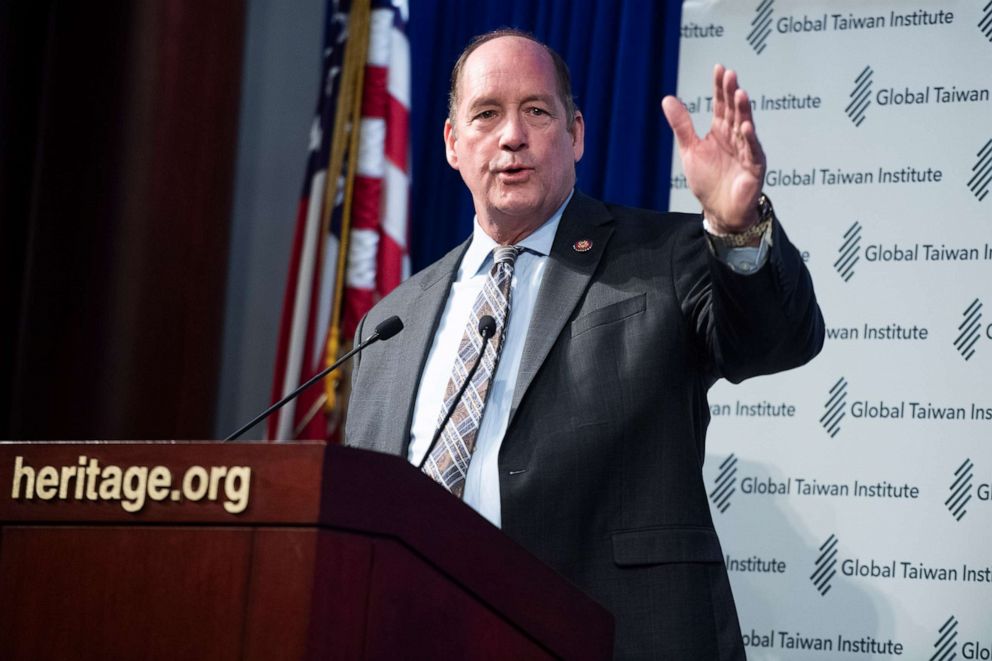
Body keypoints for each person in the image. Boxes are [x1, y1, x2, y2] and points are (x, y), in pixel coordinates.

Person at [346, 29, 824, 659]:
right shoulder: (391, 321)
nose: (511, 135)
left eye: (536, 112)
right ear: (452, 143)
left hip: (614, 636)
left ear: (574, 135)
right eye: (486, 114)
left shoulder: (666, 257)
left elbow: (777, 340)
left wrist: (738, 229)